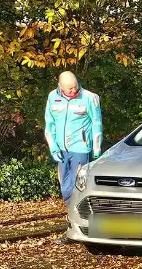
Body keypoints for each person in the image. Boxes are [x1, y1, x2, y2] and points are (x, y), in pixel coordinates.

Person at [44, 71, 103, 203]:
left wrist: (97, 149)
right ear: (60, 86)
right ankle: (71, 209)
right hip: (61, 148)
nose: (74, 90)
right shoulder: (52, 97)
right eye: (70, 88)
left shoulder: (90, 97)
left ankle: (77, 212)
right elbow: (49, 124)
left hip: (81, 147)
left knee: (77, 184)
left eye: (75, 86)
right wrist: (53, 147)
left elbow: (97, 123)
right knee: (65, 186)